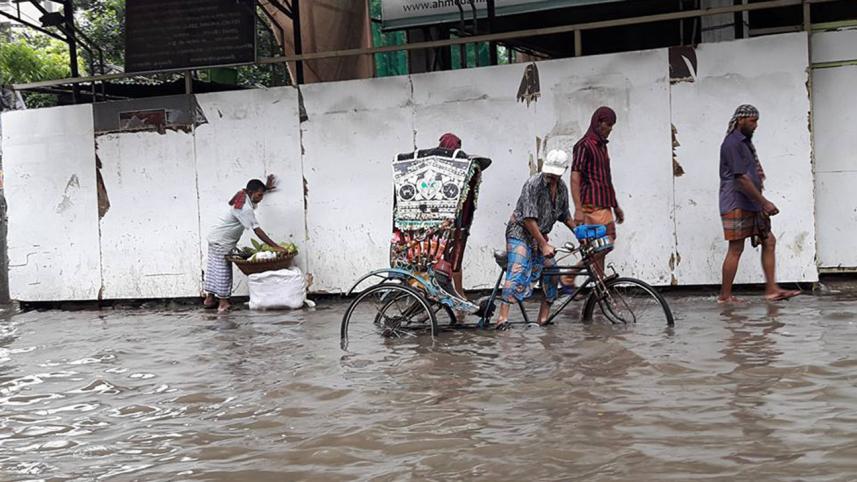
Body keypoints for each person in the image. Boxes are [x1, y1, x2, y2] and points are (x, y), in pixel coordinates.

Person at [717, 104, 800, 303]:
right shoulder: (732, 143)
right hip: (736, 202)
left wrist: (759, 201)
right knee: (736, 248)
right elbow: (741, 178)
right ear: (741, 120)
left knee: (768, 241)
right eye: (753, 121)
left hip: (751, 202)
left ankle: (772, 289)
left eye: (757, 121)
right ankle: (725, 296)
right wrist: (764, 202)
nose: (756, 125)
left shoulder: (744, 142)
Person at [494, 149, 577, 329]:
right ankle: (502, 318)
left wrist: (580, 233)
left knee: (552, 272)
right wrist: (544, 244)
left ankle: (543, 318)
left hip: (540, 236)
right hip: (520, 232)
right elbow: (529, 219)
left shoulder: (562, 188)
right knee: (518, 268)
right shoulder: (533, 184)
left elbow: (565, 215)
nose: (551, 177)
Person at [203, 176, 286, 312]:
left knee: (214, 269)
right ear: (251, 192)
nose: (261, 198)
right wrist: (275, 246)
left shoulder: (242, 195)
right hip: (222, 242)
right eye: (260, 195)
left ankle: (209, 299)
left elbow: (251, 192)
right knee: (223, 270)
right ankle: (223, 303)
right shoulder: (245, 208)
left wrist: (264, 189)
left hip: (215, 238)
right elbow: (257, 230)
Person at [566, 106, 623, 285]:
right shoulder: (584, 146)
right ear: (599, 123)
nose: (610, 130)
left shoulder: (602, 147)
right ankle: (570, 275)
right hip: (591, 204)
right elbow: (575, 176)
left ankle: (600, 288)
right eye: (608, 125)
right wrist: (578, 208)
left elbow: (606, 178)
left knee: (603, 246)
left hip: (604, 203)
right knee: (604, 245)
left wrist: (615, 205)